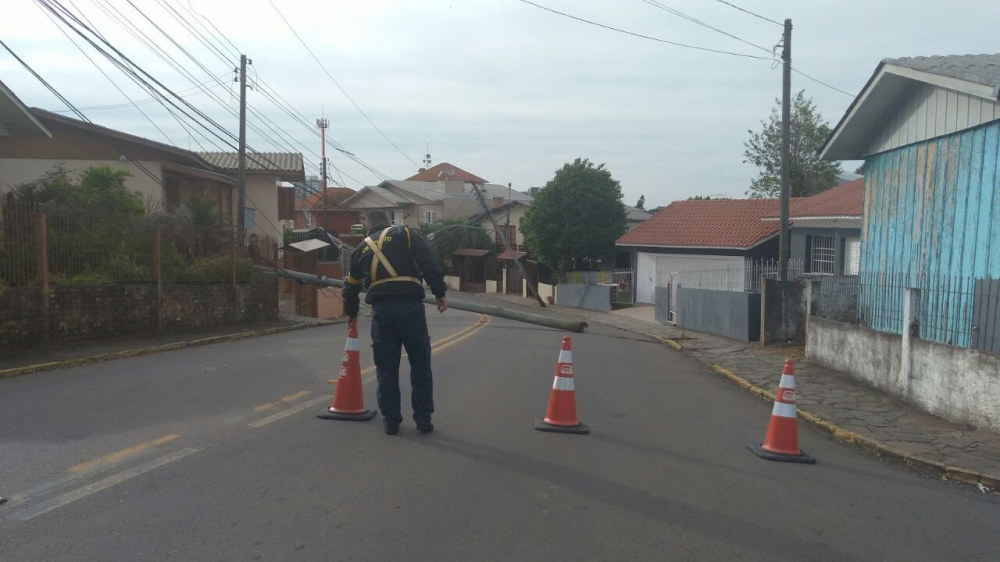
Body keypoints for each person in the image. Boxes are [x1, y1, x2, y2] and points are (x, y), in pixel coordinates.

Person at [343, 210, 448, 435]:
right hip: (411, 308)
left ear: (368, 226)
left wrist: (351, 314)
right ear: (388, 222)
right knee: (420, 364)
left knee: (386, 368)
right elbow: (429, 263)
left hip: (382, 312)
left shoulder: (361, 248)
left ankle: (391, 421)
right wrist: (439, 293)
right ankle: (423, 419)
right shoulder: (406, 234)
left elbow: (351, 288)